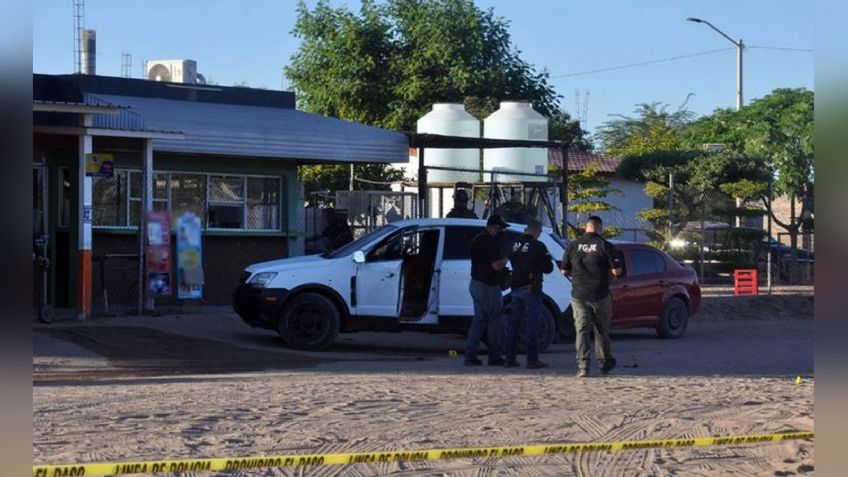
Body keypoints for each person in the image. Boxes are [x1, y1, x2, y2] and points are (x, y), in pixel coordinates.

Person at [561, 215, 623, 378]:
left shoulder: (573, 245)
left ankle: (583, 366)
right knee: (601, 330)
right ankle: (604, 363)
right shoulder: (606, 245)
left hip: (579, 295)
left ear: (586, 227)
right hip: (600, 293)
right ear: (600, 228)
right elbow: (617, 271)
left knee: (581, 330)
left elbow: (564, 270)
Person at [505, 219, 554, 369]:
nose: (539, 235)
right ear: (536, 230)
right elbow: (548, 267)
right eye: (539, 233)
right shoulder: (538, 246)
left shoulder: (514, 244)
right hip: (531, 288)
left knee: (513, 324)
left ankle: (510, 358)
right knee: (532, 325)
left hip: (515, 287)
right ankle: (532, 360)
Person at [464, 214, 509, 366]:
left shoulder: (479, 239)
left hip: (478, 284)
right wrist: (506, 258)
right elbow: (496, 265)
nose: (501, 232)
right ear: (492, 227)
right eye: (499, 228)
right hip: (487, 286)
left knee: (479, 320)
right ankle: (495, 356)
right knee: (494, 320)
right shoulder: (487, 241)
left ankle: (470, 355)